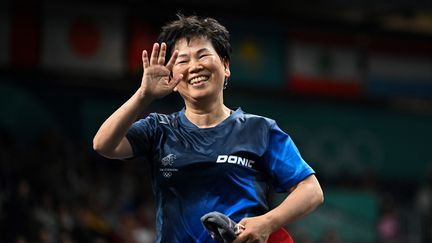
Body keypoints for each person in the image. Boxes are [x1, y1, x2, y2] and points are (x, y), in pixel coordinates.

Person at [93, 14, 324, 243]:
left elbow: (311, 190)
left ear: (225, 66)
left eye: (203, 55)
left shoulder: (260, 129)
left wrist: (268, 222)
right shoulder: (159, 129)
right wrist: (144, 95)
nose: (194, 66)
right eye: (182, 61)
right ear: (172, 76)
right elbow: (103, 144)